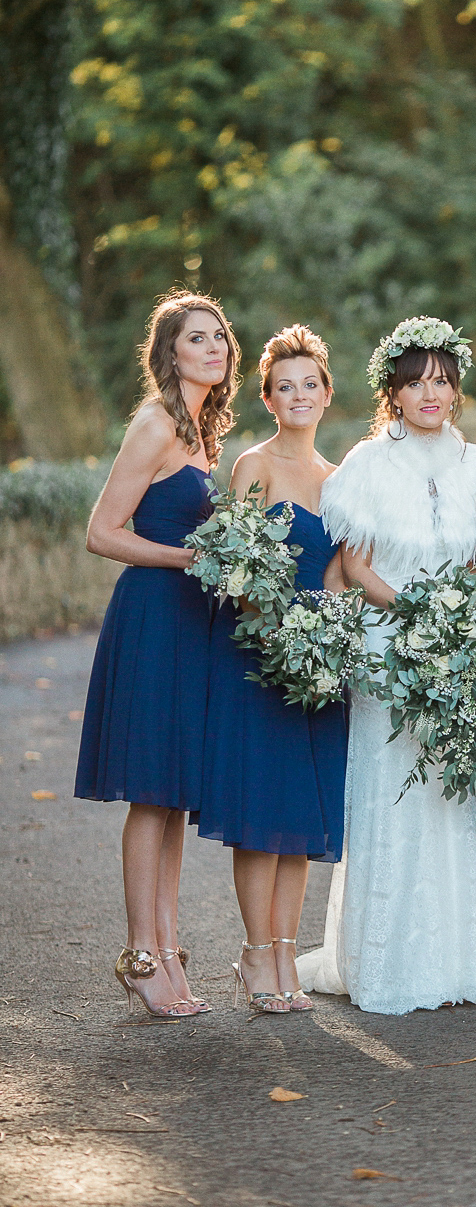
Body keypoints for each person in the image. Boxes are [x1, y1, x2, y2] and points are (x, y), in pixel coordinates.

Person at [296, 318, 476, 1014]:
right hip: (388, 645)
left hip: (460, 644)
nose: (430, 394)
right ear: (394, 392)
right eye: (415, 383)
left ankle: (457, 964)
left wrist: (460, 620)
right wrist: (418, 615)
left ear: (456, 388)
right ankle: (383, 961)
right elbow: (354, 566)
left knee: (453, 793)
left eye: (441, 381)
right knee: (392, 793)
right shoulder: (367, 465)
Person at [75, 291, 239, 1017]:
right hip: (153, 620)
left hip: (192, 624)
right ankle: (142, 956)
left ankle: (168, 949)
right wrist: (186, 560)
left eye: (219, 338)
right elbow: (102, 532)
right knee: (151, 792)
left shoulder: (204, 431)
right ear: (169, 353)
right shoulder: (152, 423)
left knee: (173, 794)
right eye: (196, 338)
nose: (213, 347)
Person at [195, 326, 349, 1014]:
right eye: (284, 386)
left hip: (321, 665)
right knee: (261, 813)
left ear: (325, 393)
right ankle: (256, 954)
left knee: (297, 817)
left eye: (309, 384)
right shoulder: (252, 466)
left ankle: (287, 953)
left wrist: (337, 639)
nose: (298, 395)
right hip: (261, 658)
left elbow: (342, 574)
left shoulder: (339, 480)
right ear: (267, 398)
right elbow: (236, 565)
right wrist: (282, 628)